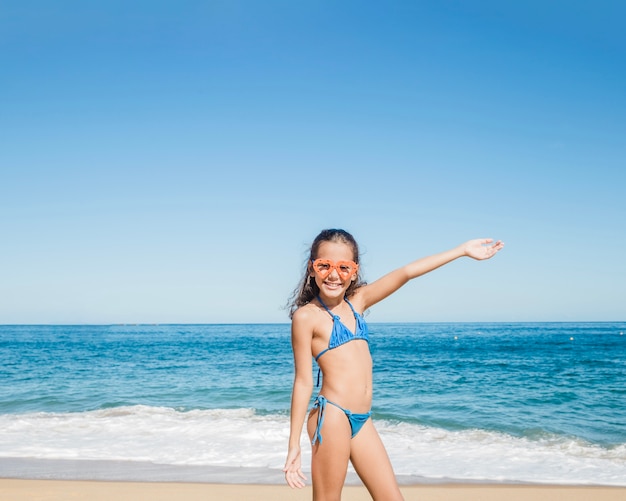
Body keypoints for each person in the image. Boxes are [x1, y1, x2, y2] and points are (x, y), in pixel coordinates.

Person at [283, 228, 504, 500]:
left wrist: (461, 251)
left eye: (343, 267)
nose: (333, 274)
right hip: (332, 417)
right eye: (324, 265)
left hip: (362, 420)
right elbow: (303, 381)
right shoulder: (306, 317)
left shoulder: (358, 302)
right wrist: (293, 445)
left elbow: (407, 272)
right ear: (312, 268)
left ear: (354, 271)